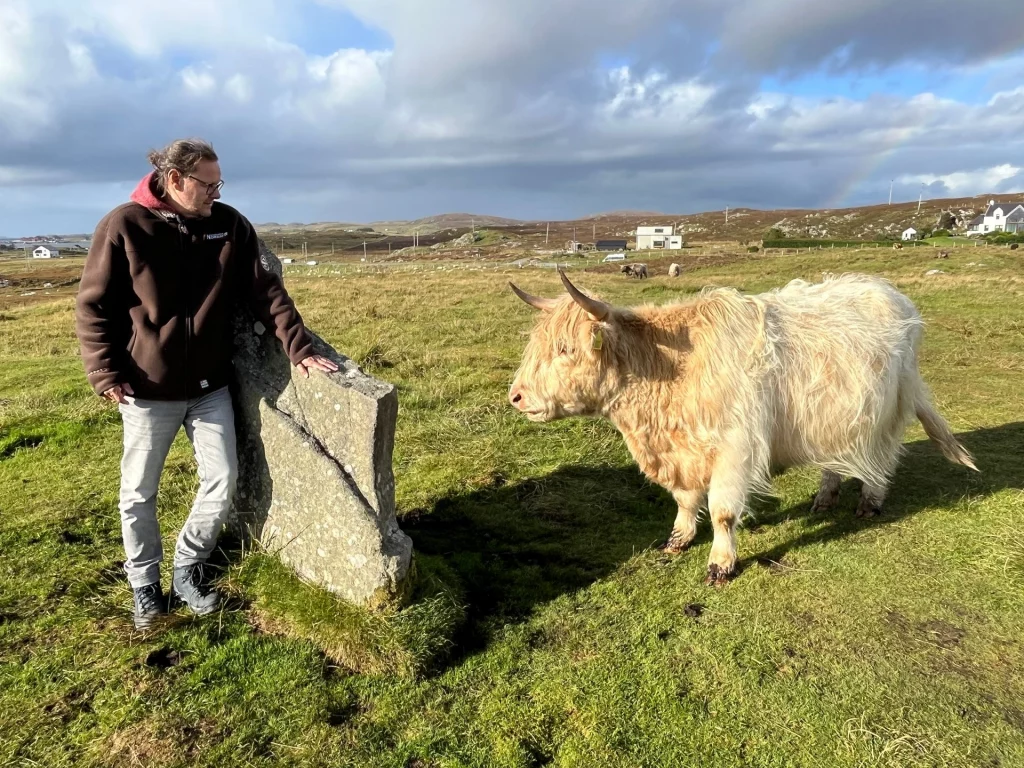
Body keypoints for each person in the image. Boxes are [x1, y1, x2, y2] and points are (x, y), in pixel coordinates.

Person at [75, 138, 337, 629]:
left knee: (223, 481)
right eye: (208, 184)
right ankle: (145, 588)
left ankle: (187, 568)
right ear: (175, 180)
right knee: (138, 492)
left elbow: (266, 291)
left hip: (210, 385)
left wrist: (299, 348)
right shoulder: (124, 225)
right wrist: (106, 372)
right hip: (146, 389)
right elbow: (93, 307)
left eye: (220, 183)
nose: (216, 193)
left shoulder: (228, 224)